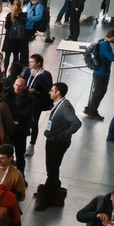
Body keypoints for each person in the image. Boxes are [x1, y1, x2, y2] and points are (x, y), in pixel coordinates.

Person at [36, 82, 81, 211]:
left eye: (52, 90)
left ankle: (47, 199)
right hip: (53, 140)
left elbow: (76, 123)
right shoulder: (59, 105)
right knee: (52, 168)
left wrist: (64, 134)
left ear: (58, 93)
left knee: (52, 169)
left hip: (58, 142)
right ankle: (54, 186)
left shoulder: (65, 107)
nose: (49, 92)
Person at [23, 54, 53, 156]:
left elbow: (48, 89)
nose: (29, 63)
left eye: (32, 62)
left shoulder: (46, 75)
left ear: (38, 63)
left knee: (34, 122)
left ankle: (32, 144)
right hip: (25, 99)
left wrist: (36, 90)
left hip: (37, 102)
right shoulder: (28, 71)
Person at [84, 28, 114, 120]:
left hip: (98, 72)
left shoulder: (102, 41)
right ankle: (91, 113)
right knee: (99, 93)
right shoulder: (105, 46)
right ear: (113, 37)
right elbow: (113, 58)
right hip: (102, 74)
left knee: (97, 93)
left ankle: (90, 109)